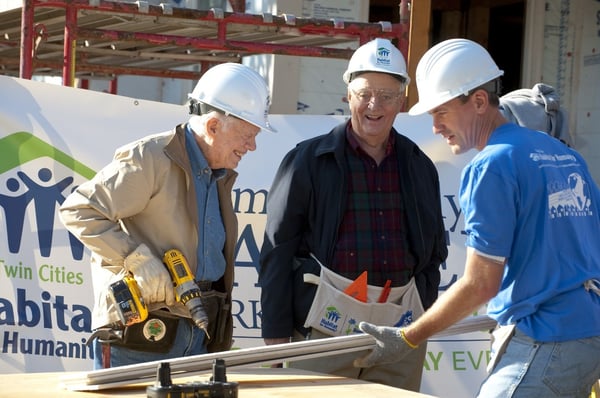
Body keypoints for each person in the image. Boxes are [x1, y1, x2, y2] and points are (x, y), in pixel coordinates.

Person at [354, 38, 600, 398]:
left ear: (480, 101)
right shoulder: (563, 155)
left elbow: (480, 284)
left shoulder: (492, 165)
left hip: (545, 338)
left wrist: (408, 337)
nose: (435, 127)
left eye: (441, 112)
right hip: (586, 336)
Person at [258, 37, 448, 391]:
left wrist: (422, 307)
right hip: (325, 329)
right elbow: (277, 249)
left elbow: (433, 251)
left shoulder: (420, 165)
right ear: (348, 94)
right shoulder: (307, 161)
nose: (374, 105)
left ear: (402, 100)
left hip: (401, 330)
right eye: (365, 93)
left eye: (388, 95)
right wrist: (275, 334)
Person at [59, 62, 274, 369]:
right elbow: (79, 210)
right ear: (213, 127)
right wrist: (135, 259)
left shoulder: (217, 175)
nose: (252, 146)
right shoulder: (151, 157)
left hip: (199, 335)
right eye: (247, 135)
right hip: (142, 337)